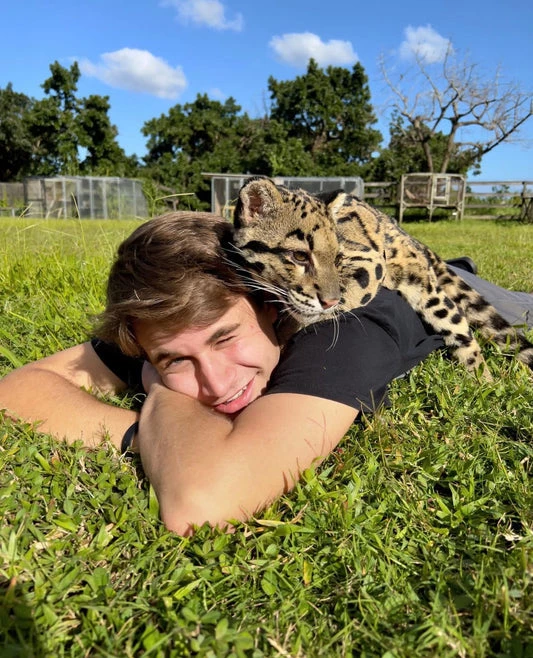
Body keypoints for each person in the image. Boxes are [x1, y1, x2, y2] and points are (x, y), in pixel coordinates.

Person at [1, 211, 532, 536]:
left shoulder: (343, 328)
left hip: (455, 287)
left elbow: (202, 502)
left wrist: (159, 386)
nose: (215, 384)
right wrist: (152, 436)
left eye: (225, 339)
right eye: (175, 360)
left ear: (273, 307)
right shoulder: (170, 323)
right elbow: (16, 389)